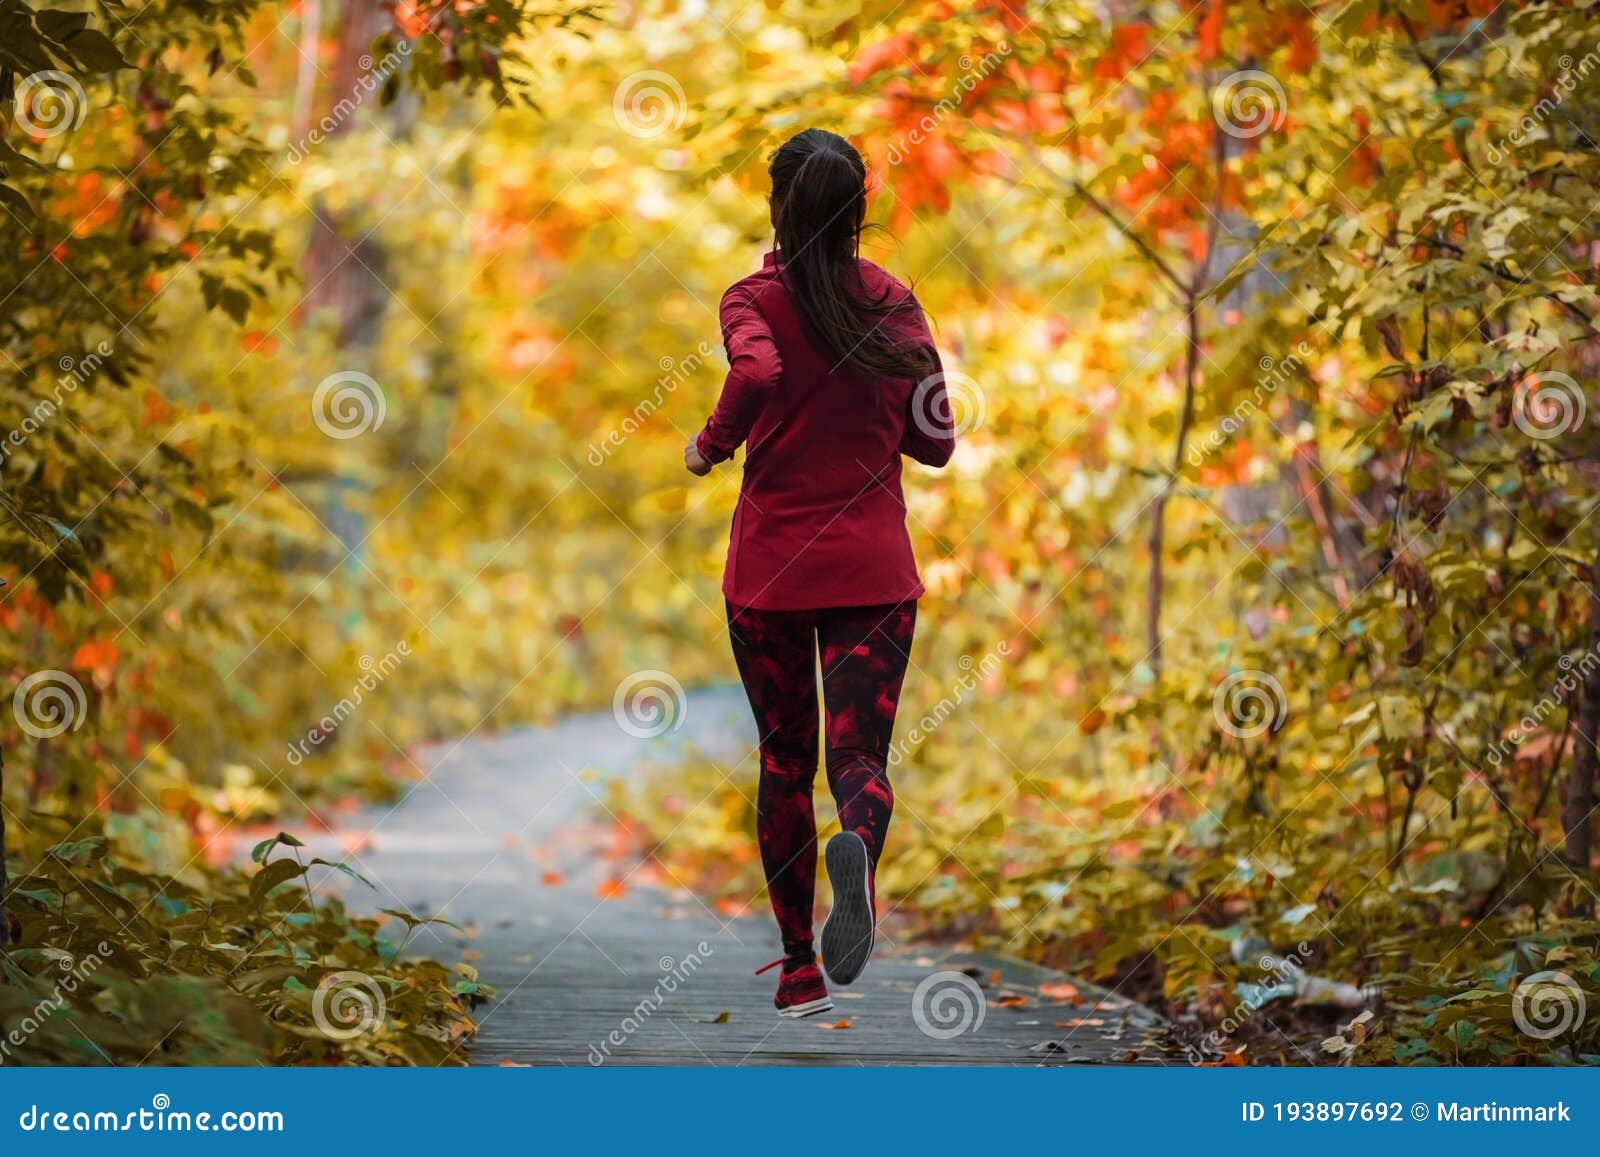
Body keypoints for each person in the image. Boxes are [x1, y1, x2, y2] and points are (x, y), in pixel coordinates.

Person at [683, 128, 955, 1018]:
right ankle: (861, 858)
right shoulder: (893, 302)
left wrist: (712, 443)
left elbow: (758, 367)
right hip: (873, 571)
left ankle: (800, 966)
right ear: (859, 213)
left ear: (776, 207)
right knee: (858, 758)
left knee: (783, 760)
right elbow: (938, 440)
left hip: (769, 577)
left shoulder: (750, 299)